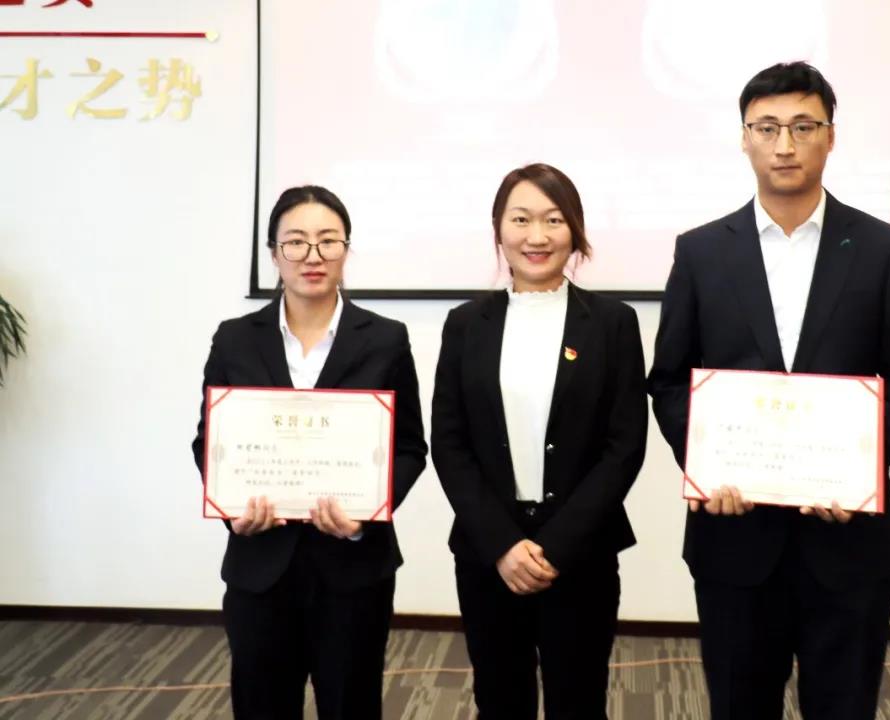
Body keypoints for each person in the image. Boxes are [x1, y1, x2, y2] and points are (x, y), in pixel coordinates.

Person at [647, 62, 890, 720]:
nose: (785, 144)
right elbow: (668, 380)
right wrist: (705, 467)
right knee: (739, 706)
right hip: (733, 537)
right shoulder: (701, 252)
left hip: (849, 542)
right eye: (768, 127)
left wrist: (861, 469)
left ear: (831, 137)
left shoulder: (881, 249)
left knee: (843, 707)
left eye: (803, 127)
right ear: (744, 137)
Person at [191, 185, 428, 719]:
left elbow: (411, 447)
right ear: (273, 254)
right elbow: (209, 441)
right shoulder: (234, 339)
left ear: (347, 249)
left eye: (328, 241)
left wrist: (366, 514)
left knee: (351, 705)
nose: (312, 256)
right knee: (261, 706)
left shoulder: (386, 338)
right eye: (295, 242)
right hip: (260, 565)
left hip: (354, 568)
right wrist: (232, 511)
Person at [431, 163, 648, 718]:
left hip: (581, 555)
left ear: (575, 230)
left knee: (580, 700)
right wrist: (503, 543)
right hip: (489, 555)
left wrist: (556, 545)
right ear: (499, 230)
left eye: (554, 220)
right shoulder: (465, 325)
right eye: (521, 219)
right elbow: (449, 443)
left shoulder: (613, 323)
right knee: (500, 699)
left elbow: (625, 446)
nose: (537, 236)